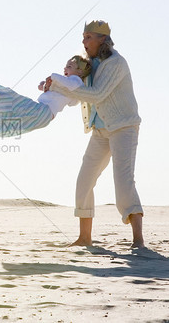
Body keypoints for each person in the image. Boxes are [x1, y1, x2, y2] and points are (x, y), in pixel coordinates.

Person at [48, 20, 144, 248]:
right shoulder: (89, 64)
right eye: (83, 37)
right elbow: (75, 90)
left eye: (88, 36)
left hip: (123, 127)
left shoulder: (115, 63)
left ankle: (138, 240)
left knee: (123, 183)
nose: (84, 41)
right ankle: (84, 239)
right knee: (84, 182)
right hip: (100, 130)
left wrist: (59, 86)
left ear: (103, 39)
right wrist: (52, 85)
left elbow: (97, 94)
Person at [0, 56, 92, 137]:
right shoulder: (66, 85)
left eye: (69, 66)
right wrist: (46, 86)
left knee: (10, 99)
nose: (65, 68)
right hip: (42, 113)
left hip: (43, 112)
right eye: (65, 66)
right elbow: (43, 88)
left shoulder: (76, 81)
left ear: (80, 72)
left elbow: (71, 88)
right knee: (11, 103)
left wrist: (53, 77)